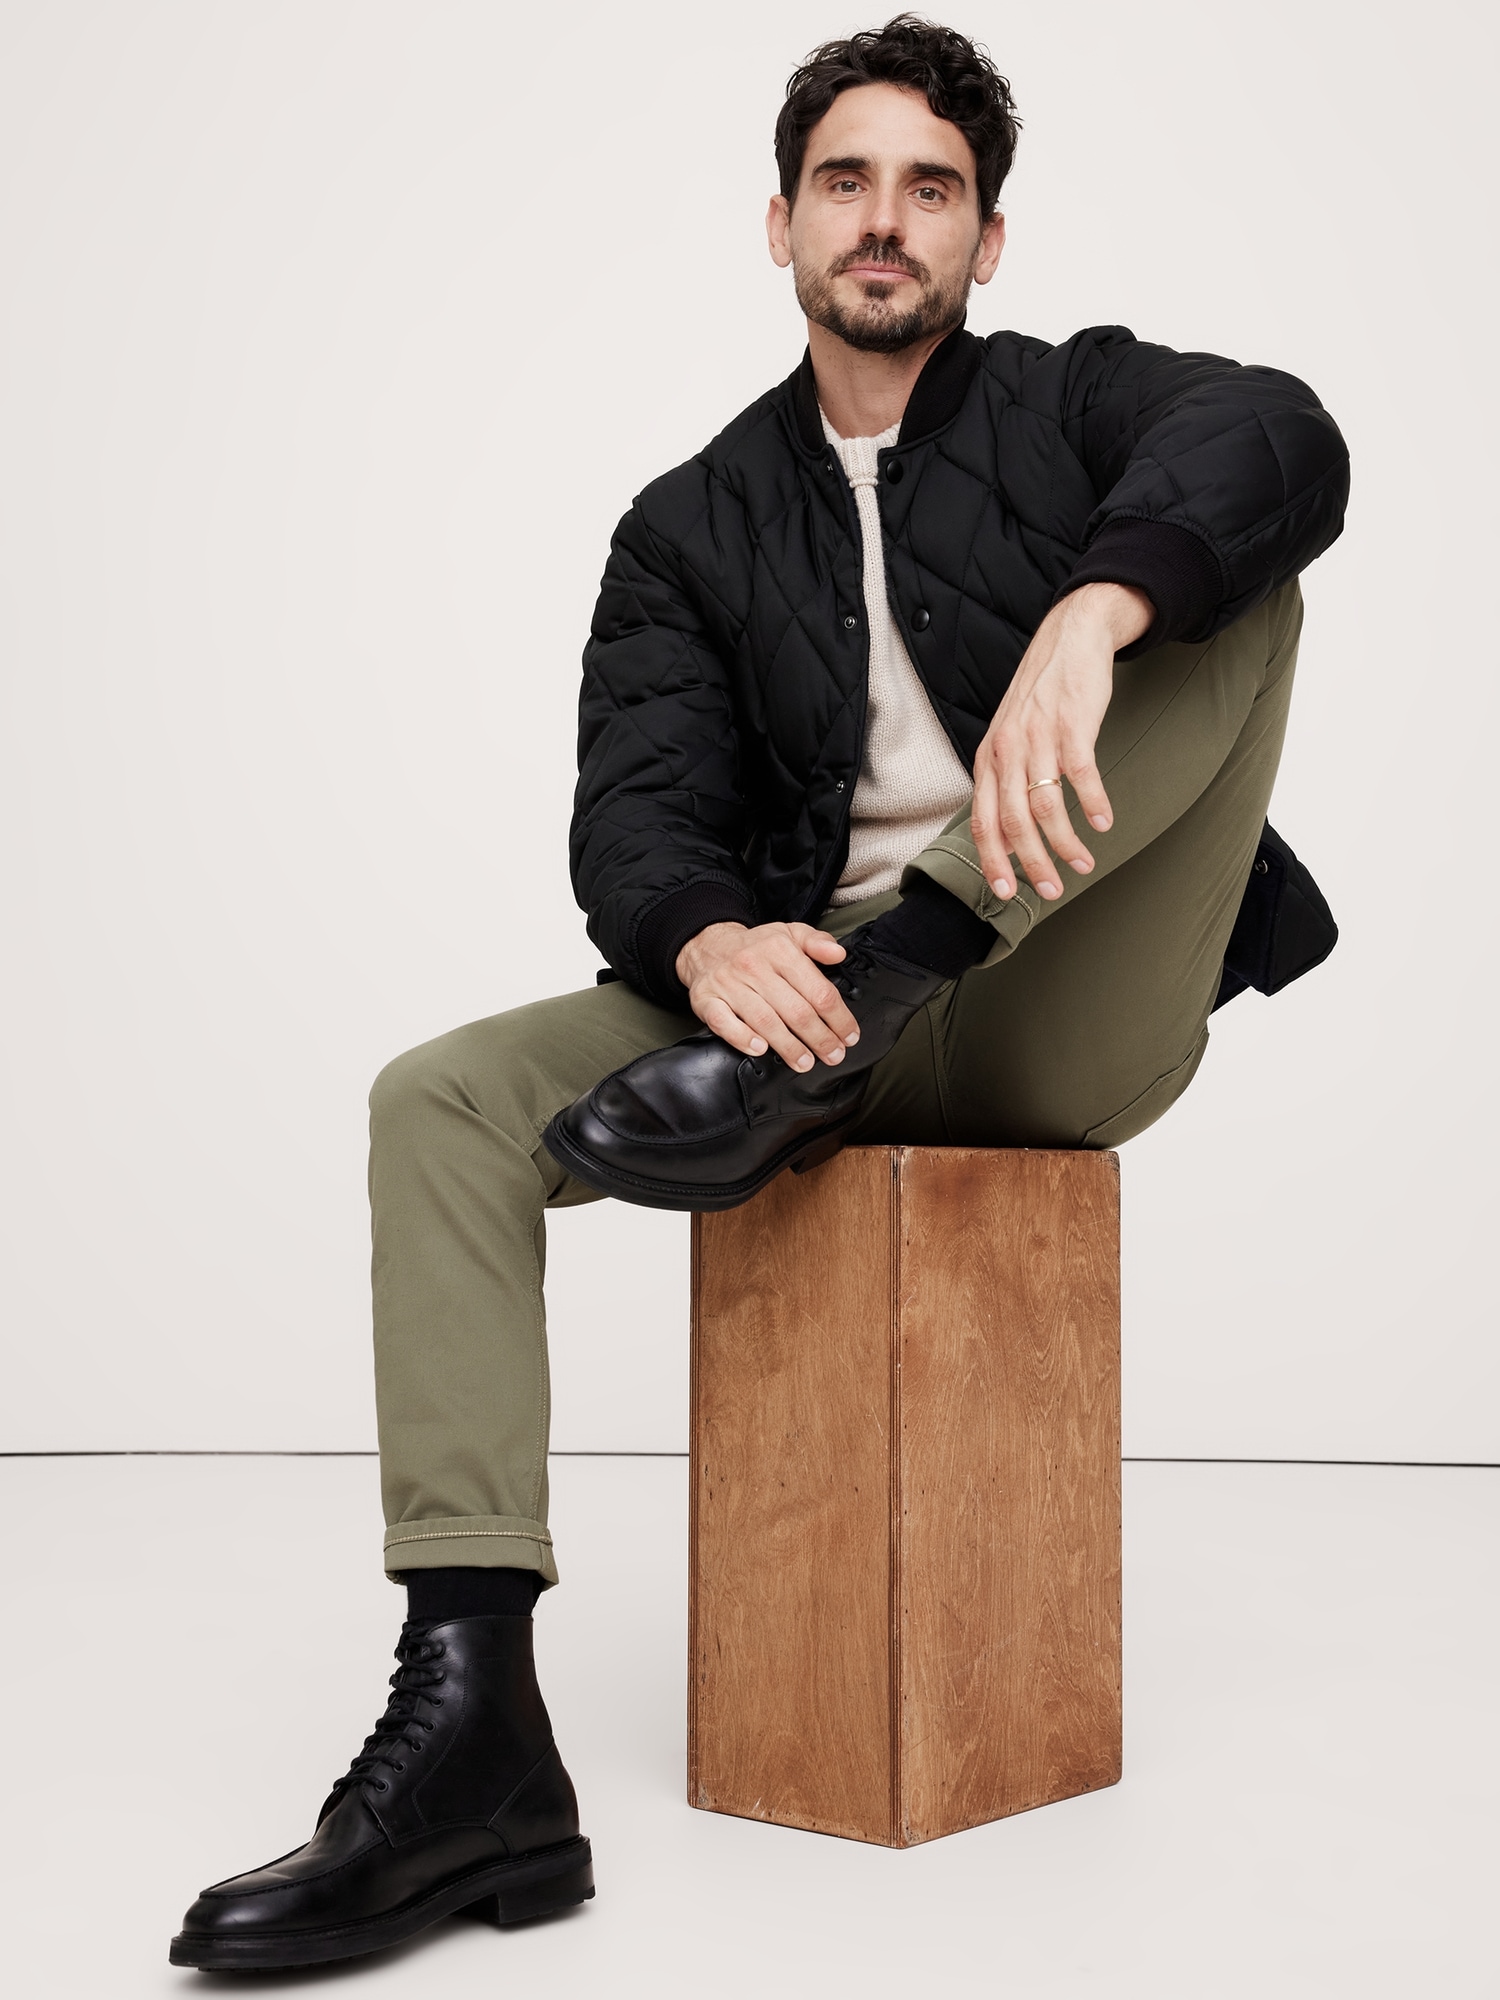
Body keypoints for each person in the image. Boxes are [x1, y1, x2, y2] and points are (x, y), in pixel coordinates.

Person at [170, 13, 1348, 1971]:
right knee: (436, 1103)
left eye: (932, 188)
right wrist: (705, 939)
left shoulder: (1075, 403)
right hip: (789, 1030)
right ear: (781, 221)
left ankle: (895, 973)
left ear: (987, 240)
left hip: (1050, 998)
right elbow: (638, 805)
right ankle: (471, 1729)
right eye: (845, 180)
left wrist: (1099, 600)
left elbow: (1281, 433)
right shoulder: (688, 522)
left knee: (1240, 570)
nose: (886, 219)